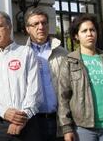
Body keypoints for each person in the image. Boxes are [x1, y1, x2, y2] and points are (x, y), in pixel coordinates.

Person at [58, 14, 103, 141]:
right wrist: (66, 128)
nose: (89, 34)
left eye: (92, 30)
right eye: (84, 31)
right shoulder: (69, 61)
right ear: (76, 36)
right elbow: (63, 97)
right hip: (83, 128)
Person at [0, 11, 42, 141]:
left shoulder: (26, 53)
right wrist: (4, 112)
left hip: (27, 123)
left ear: (9, 27)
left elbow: (34, 89)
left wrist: (22, 117)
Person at [24, 8, 68, 141]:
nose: (40, 27)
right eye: (35, 24)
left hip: (59, 120)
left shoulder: (63, 53)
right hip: (32, 121)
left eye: (44, 23)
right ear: (27, 29)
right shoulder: (21, 55)